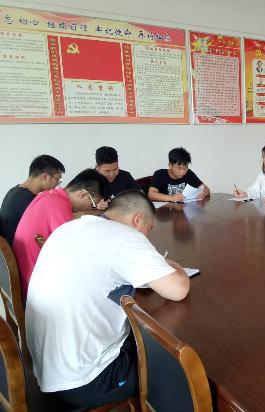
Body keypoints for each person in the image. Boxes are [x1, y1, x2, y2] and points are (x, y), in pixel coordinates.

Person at [25, 190, 190, 409]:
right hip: (86, 380)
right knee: (180, 368)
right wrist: (174, 265)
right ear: (138, 219)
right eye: (148, 229)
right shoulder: (124, 236)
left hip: (47, 366)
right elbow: (178, 290)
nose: (146, 237)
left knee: (143, 335)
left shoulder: (69, 228)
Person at [13, 169, 106, 297]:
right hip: (36, 287)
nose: (90, 207)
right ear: (83, 195)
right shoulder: (59, 205)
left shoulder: (49, 195)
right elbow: (71, 254)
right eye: (92, 204)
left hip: (24, 274)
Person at [0, 155, 64, 245]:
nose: (57, 185)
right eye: (57, 179)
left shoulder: (14, 191)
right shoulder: (28, 201)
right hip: (15, 252)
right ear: (44, 177)